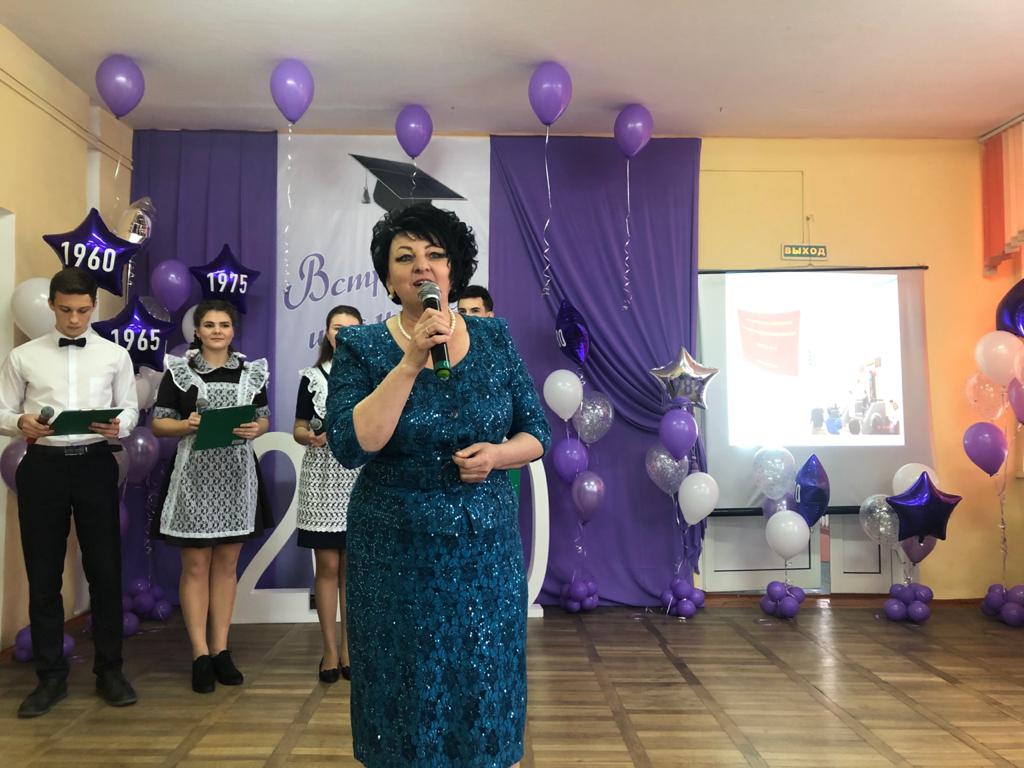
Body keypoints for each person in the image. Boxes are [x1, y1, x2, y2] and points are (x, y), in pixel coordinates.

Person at [326, 203, 551, 768]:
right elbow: (352, 445)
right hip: (394, 553)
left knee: (484, 675)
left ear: (453, 271)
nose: (422, 266)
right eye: (405, 257)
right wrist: (410, 361)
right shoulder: (361, 347)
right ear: (388, 279)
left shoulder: (495, 338)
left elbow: (537, 432)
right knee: (403, 683)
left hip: (485, 551)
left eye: (435, 255)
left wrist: (498, 455)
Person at [0, 267, 139, 717]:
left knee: (105, 570)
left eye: (82, 311)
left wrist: (120, 425)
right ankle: (50, 678)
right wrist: (20, 422)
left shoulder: (115, 355)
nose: (74, 320)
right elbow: (2, 409)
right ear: (51, 305)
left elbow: (130, 408)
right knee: (43, 574)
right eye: (65, 310)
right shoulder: (24, 356)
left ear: (93, 306)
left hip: (96, 463)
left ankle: (110, 672)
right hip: (42, 466)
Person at [151, 299, 271, 694]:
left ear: (233, 331)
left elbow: (263, 417)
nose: (217, 331)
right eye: (209, 325)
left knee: (227, 564)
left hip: (236, 475)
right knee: (196, 565)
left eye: (224, 325)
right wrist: (185, 424)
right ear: (197, 331)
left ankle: (221, 648)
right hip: (194, 476)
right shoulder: (179, 372)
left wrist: (258, 429)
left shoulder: (251, 372)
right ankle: (199, 653)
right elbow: (159, 424)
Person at [293, 304, 363, 683]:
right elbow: (298, 428)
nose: (344, 334)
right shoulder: (312, 378)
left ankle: (351, 650)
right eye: (338, 328)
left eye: (352, 328)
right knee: (328, 567)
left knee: (353, 570)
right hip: (321, 483)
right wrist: (309, 436)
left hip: (358, 479)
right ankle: (329, 652)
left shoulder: (372, 375)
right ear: (327, 333)